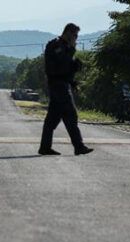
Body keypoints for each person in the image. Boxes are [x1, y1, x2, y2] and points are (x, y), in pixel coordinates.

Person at [38, 23, 93, 156]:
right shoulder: (57, 46)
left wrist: (73, 82)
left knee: (52, 119)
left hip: (61, 85)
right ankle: (79, 146)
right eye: (75, 36)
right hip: (58, 86)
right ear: (68, 34)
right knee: (70, 115)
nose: (76, 39)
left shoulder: (65, 47)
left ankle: (45, 147)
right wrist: (72, 55)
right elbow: (61, 67)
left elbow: (66, 69)